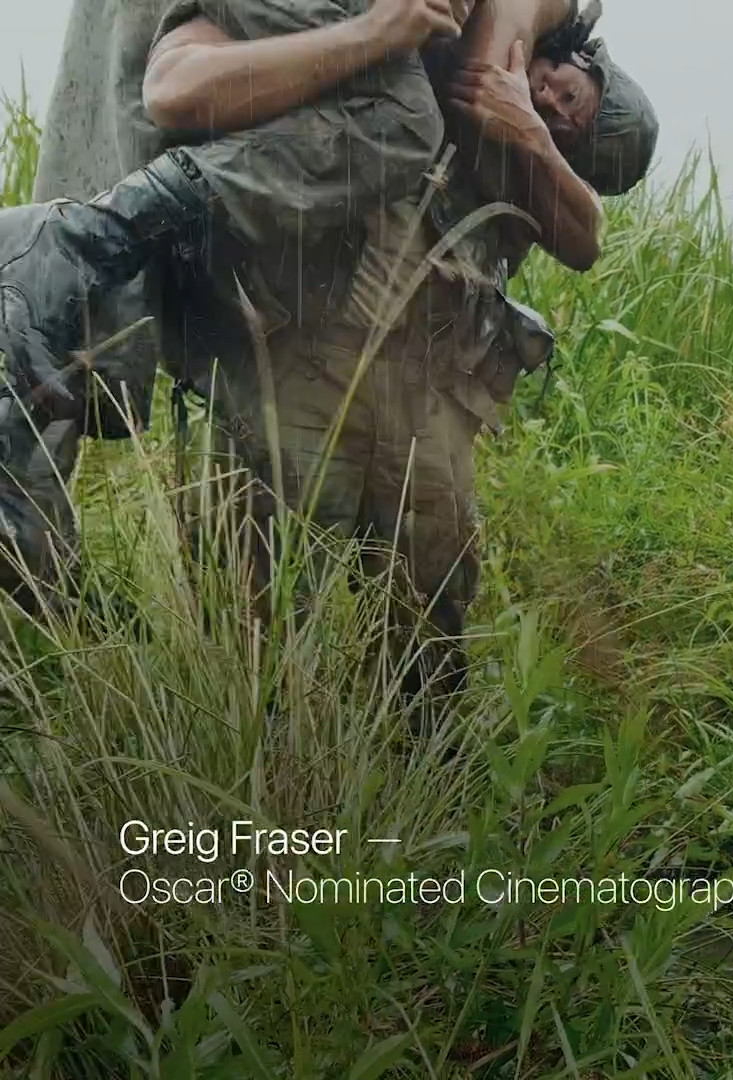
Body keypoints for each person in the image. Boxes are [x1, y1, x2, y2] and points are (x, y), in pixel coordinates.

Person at [5, 0, 657, 690]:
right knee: (248, 611)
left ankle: (418, 766)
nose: (551, 104)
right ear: (578, 54)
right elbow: (177, 87)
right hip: (288, 351)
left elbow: (586, 238)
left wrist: (528, 133)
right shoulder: (466, 44)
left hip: (421, 398)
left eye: (569, 126)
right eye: (567, 92)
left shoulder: (527, 165)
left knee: (429, 616)